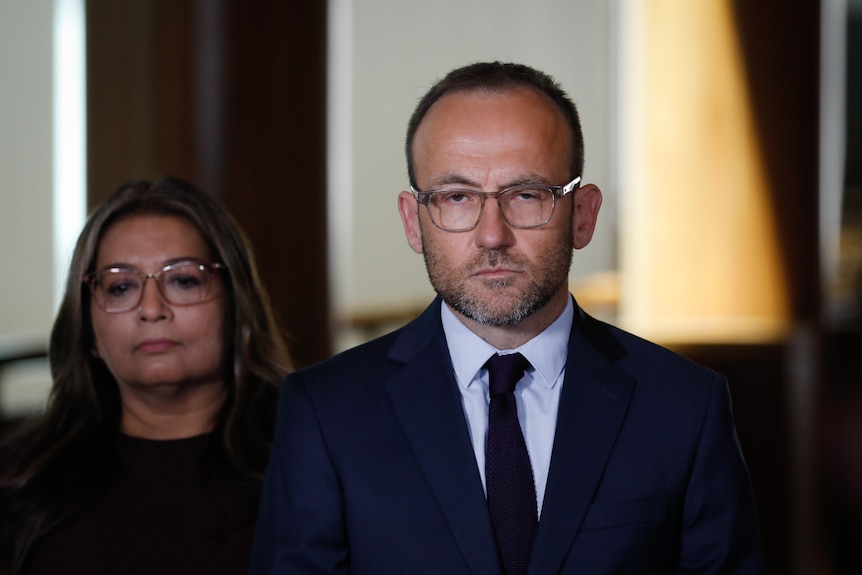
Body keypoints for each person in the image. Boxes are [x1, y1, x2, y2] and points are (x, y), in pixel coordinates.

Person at [250, 61, 763, 574]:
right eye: (456, 198)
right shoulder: (326, 412)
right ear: (414, 222)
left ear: (582, 215)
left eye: (525, 195)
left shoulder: (685, 407)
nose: (492, 235)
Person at [0, 177, 292, 575]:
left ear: (237, 307)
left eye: (183, 280)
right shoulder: (21, 476)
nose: (151, 309)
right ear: (88, 328)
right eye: (121, 286)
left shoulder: (308, 458)